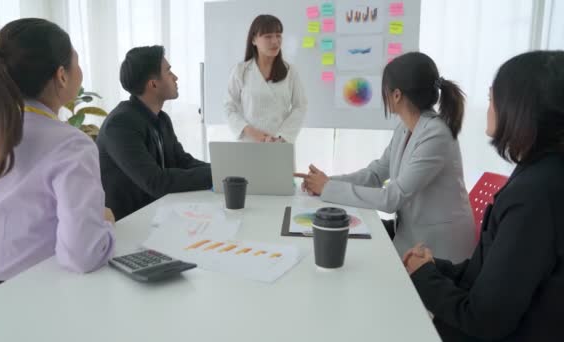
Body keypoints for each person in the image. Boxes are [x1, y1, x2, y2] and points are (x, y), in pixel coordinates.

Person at [405, 50, 564, 342]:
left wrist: (422, 276)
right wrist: (433, 268)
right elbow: (494, 275)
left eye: (493, 97)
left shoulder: (535, 195)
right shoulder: (539, 173)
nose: (489, 105)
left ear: (522, 108)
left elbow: (483, 319)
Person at [0, 18, 115, 301]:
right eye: (76, 62)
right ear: (62, 76)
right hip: (38, 297)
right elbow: (82, 256)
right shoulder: (70, 144)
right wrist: (106, 222)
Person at [295, 52, 474, 262]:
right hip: (413, 237)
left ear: (396, 95)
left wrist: (327, 188)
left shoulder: (436, 134)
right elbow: (375, 173)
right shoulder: (405, 128)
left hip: (441, 248)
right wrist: (328, 181)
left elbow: (392, 198)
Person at [96, 46, 212, 220]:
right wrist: (217, 175)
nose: (175, 77)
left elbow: (182, 161)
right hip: (128, 227)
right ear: (153, 84)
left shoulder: (161, 119)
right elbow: (156, 182)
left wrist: (222, 169)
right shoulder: (120, 125)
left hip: (157, 217)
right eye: (168, 71)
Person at [225, 14, 307, 143]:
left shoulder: (290, 71)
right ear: (254, 40)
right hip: (249, 143)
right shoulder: (241, 71)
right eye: (268, 36)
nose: (275, 41)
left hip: (280, 144)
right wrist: (249, 131)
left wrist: (282, 137)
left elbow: (300, 106)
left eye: (278, 35)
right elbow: (229, 107)